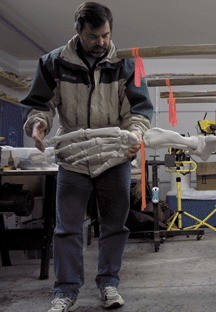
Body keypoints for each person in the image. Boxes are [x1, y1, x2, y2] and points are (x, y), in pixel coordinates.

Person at [20, 2, 153, 311]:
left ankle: (109, 284)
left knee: (114, 226)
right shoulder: (52, 63)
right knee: (66, 228)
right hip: (74, 159)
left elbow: (139, 110)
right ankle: (65, 291)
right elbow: (41, 103)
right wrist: (38, 124)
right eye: (94, 37)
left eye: (106, 35)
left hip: (114, 156)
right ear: (78, 33)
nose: (101, 43)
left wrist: (135, 134)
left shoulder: (128, 65)